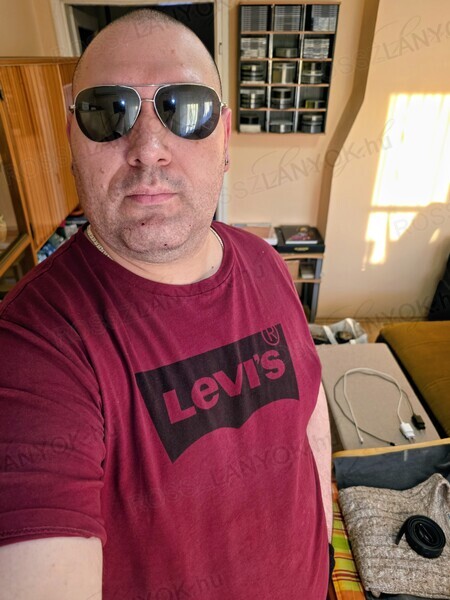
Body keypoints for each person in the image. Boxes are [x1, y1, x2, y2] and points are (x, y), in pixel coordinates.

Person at [0, 9, 332, 599]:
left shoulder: (266, 263)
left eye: (187, 109)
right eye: (108, 111)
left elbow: (308, 413)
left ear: (224, 137)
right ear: (73, 136)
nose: (148, 150)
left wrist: (324, 550)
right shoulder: (33, 347)